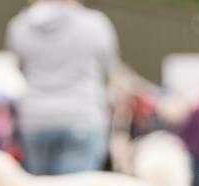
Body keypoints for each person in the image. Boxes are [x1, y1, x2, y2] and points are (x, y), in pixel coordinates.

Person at [6, 0, 119, 176]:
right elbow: (110, 70)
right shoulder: (95, 23)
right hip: (82, 117)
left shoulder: (19, 25)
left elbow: (20, 68)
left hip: (34, 120)